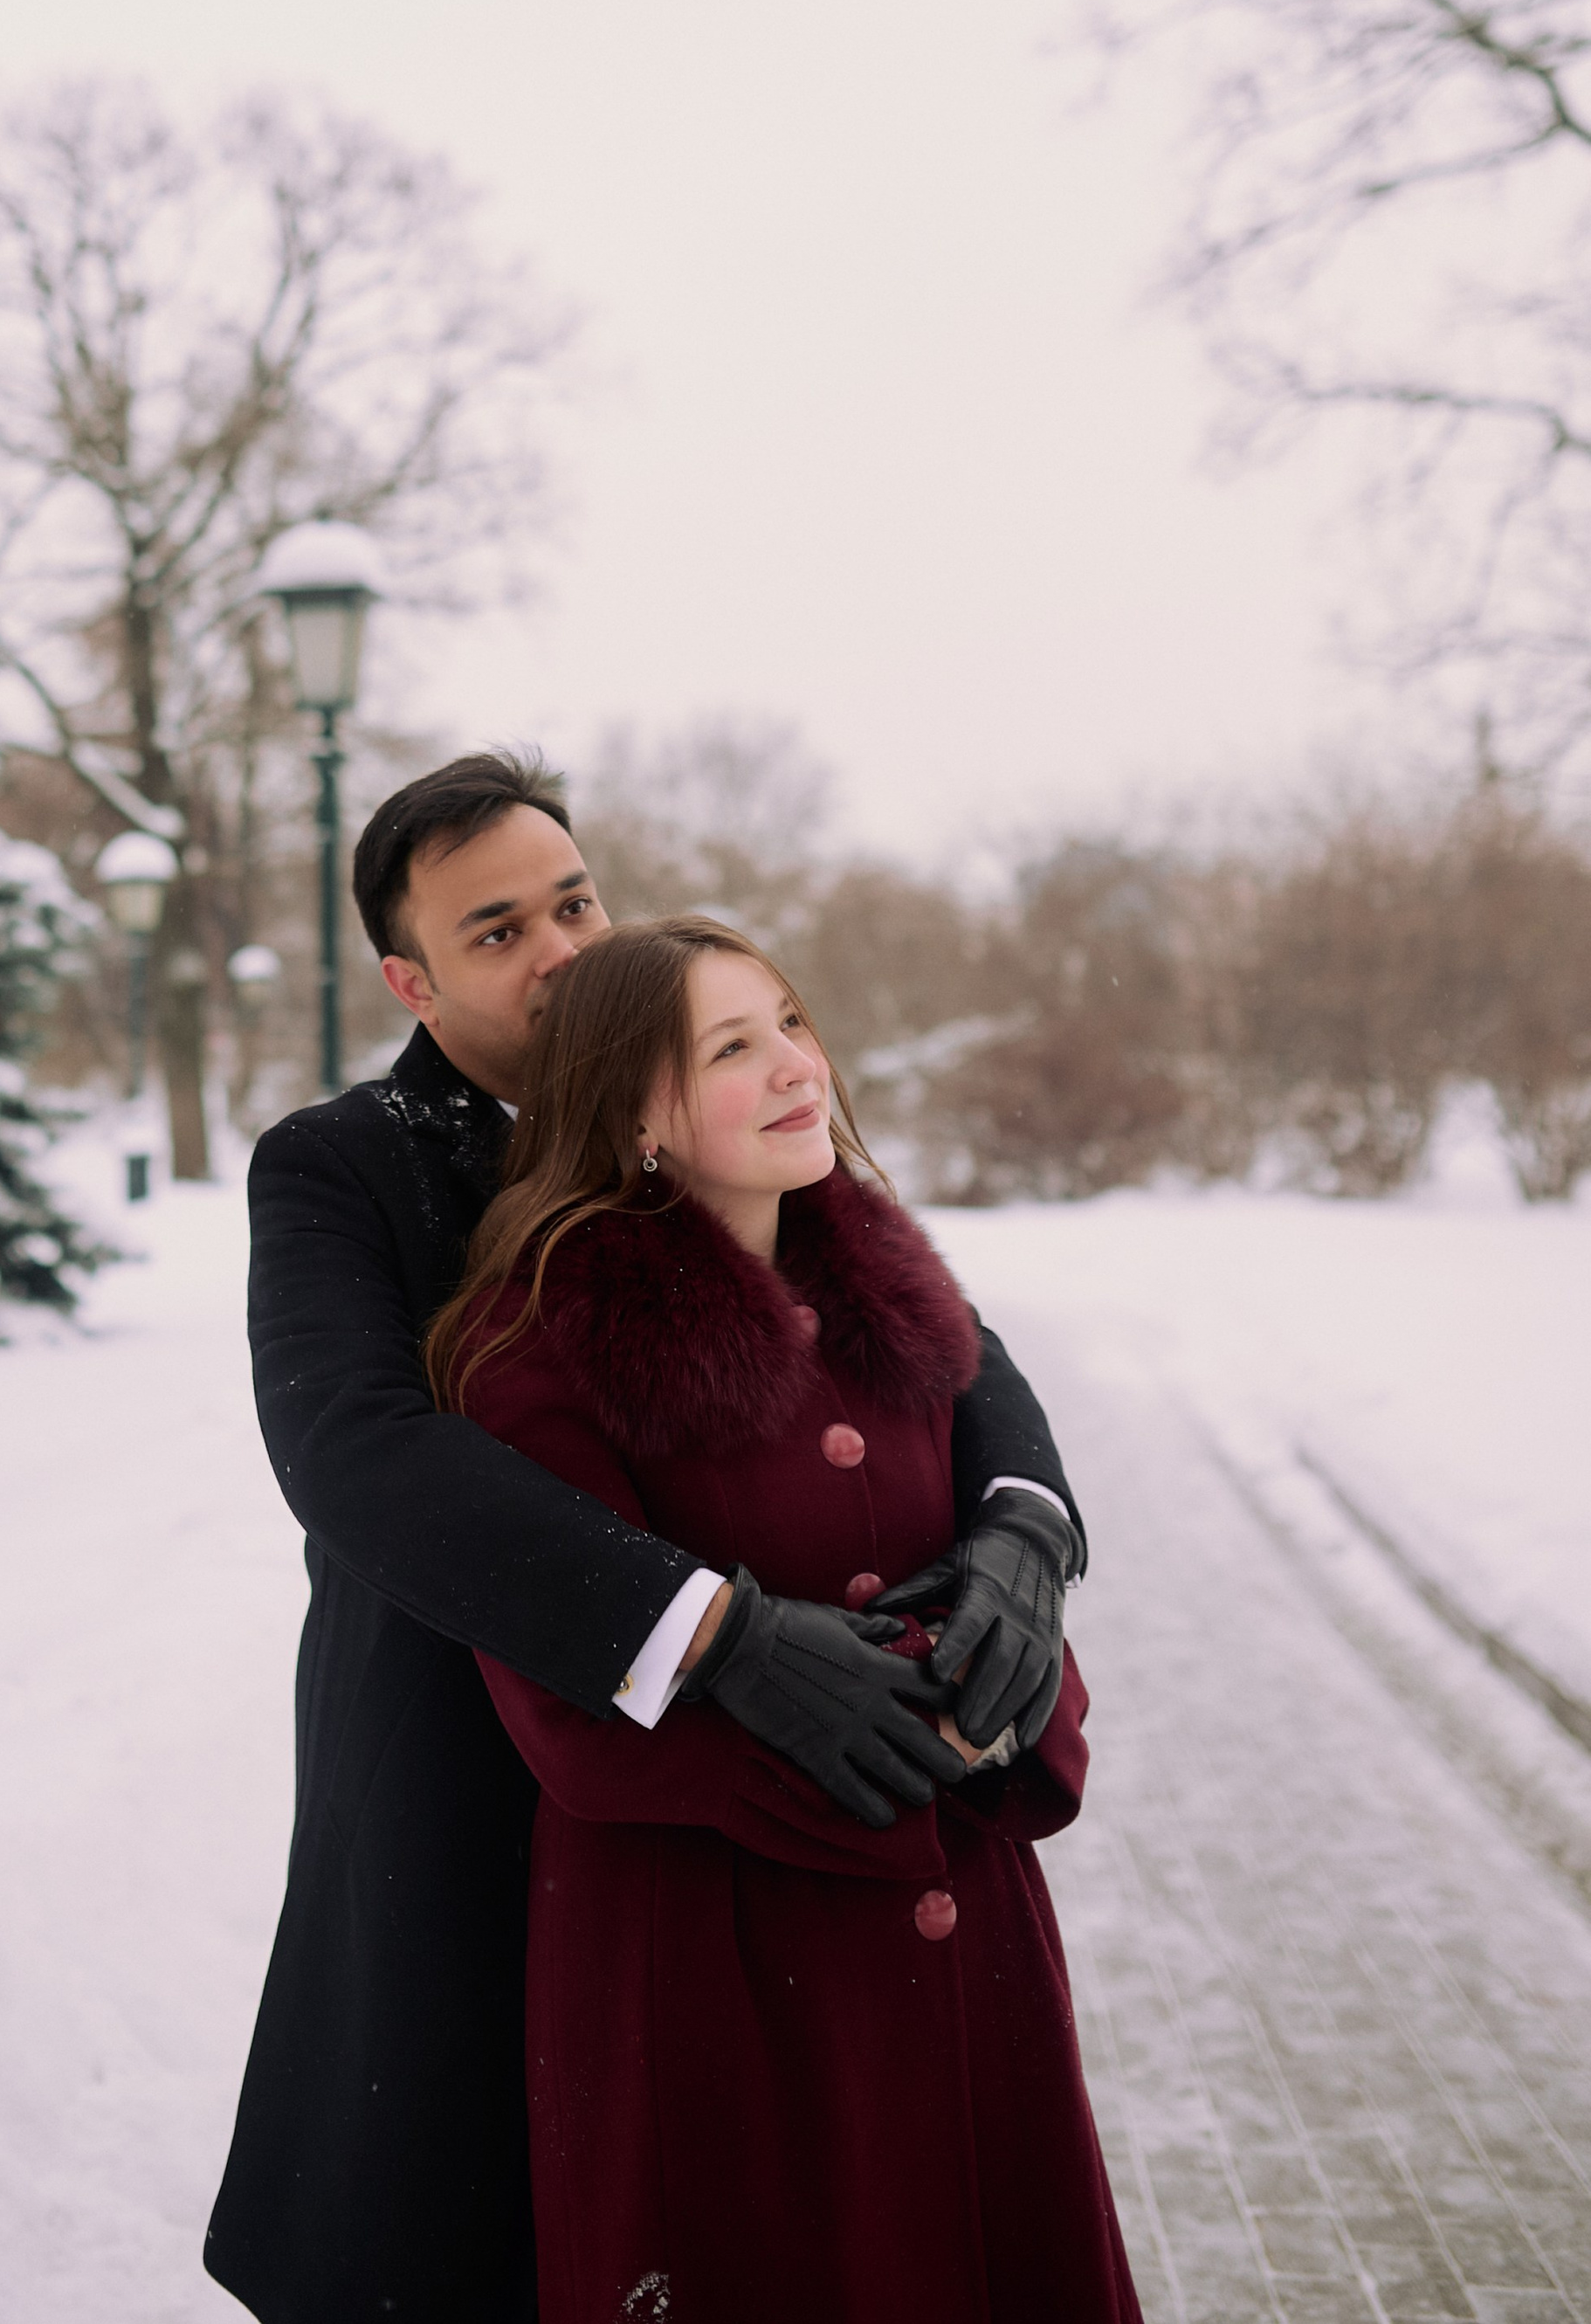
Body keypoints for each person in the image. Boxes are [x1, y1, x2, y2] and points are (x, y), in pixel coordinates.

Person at [204, 753, 1087, 2324]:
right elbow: (354, 1447)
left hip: (748, 1820)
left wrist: (1024, 1523)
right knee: (474, 2233)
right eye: (496, 931)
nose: (558, 946)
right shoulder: (345, 1162)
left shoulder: (705, 1092)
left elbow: (941, 1329)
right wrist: (711, 1630)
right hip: (468, 1768)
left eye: (573, 900)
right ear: (409, 976)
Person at [428, 913, 1139, 2323]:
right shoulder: (538, 1343)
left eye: (793, 1025)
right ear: (632, 1110)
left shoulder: (901, 1301)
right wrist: (888, 1751)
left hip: (970, 1955)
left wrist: (1013, 1663)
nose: (796, 1068)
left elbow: (987, 1593)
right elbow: (568, 1718)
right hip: (719, 1979)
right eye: (732, 1049)